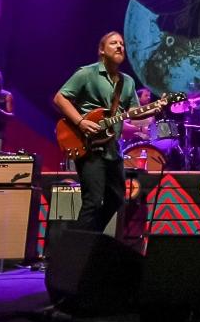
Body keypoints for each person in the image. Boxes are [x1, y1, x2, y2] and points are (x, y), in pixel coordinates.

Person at [53, 32, 159, 232]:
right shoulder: (87, 73)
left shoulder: (127, 82)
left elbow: (132, 114)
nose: (120, 46)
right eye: (114, 43)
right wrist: (81, 121)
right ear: (102, 50)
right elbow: (60, 98)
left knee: (117, 199)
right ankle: (78, 251)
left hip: (112, 149)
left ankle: (87, 239)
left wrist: (154, 108)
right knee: (92, 201)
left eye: (122, 44)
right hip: (88, 146)